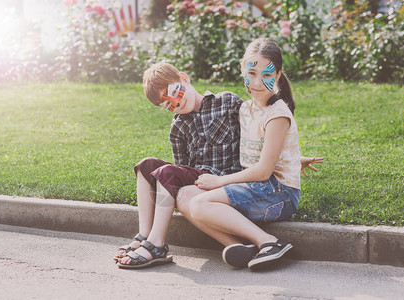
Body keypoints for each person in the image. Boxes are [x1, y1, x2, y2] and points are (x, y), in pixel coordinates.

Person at [115, 62, 322, 269]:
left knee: (166, 173)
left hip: (230, 179)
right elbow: (182, 171)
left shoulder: (227, 101)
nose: (176, 104)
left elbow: (258, 135)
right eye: (168, 105)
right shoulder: (177, 128)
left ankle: (156, 244)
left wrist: (293, 158)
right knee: (146, 166)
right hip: (202, 180)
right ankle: (144, 236)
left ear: (184, 78)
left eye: (175, 94)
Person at [184, 37, 314, 270]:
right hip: (258, 186)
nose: (257, 82)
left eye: (266, 74)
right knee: (187, 197)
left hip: (279, 193)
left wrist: (219, 181)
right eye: (251, 72)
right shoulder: (246, 108)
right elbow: (264, 152)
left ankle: (271, 242)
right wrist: (295, 160)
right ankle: (244, 247)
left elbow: (264, 171)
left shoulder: (277, 114)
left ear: (277, 75)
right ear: (242, 69)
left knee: (199, 205)